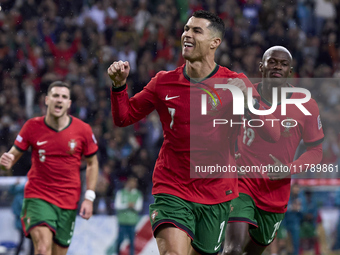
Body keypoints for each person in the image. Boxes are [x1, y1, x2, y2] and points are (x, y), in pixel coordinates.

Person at [108, 10, 280, 255]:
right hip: (172, 187)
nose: (187, 34)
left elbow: (272, 134)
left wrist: (247, 103)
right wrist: (119, 86)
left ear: (214, 43)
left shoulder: (235, 83)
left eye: (196, 31)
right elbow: (124, 117)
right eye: (186, 29)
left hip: (216, 193)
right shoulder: (163, 82)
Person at [223, 46, 324, 255]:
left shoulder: (306, 105)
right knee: (232, 250)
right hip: (242, 183)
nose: (277, 66)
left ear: (290, 71)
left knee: (253, 251)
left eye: (283, 64)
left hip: (275, 192)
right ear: (261, 67)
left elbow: (316, 151)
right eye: (272, 62)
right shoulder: (245, 94)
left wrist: (289, 168)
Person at [0, 81, 99, 255]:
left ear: (69, 103)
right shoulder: (32, 126)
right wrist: (6, 160)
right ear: (46, 100)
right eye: (55, 95)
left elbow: (92, 163)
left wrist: (89, 197)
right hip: (38, 196)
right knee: (43, 249)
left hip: (68, 201)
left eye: (64, 97)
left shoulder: (83, 130)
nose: (59, 100)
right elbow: (13, 155)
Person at [114, 175, 143, 255]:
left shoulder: (138, 194)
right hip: (122, 221)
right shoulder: (121, 192)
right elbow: (117, 205)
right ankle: (117, 253)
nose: (133, 184)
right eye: (131, 182)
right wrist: (128, 205)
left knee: (132, 241)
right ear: (127, 183)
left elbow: (139, 207)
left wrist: (132, 206)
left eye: (134, 182)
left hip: (132, 221)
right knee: (120, 240)